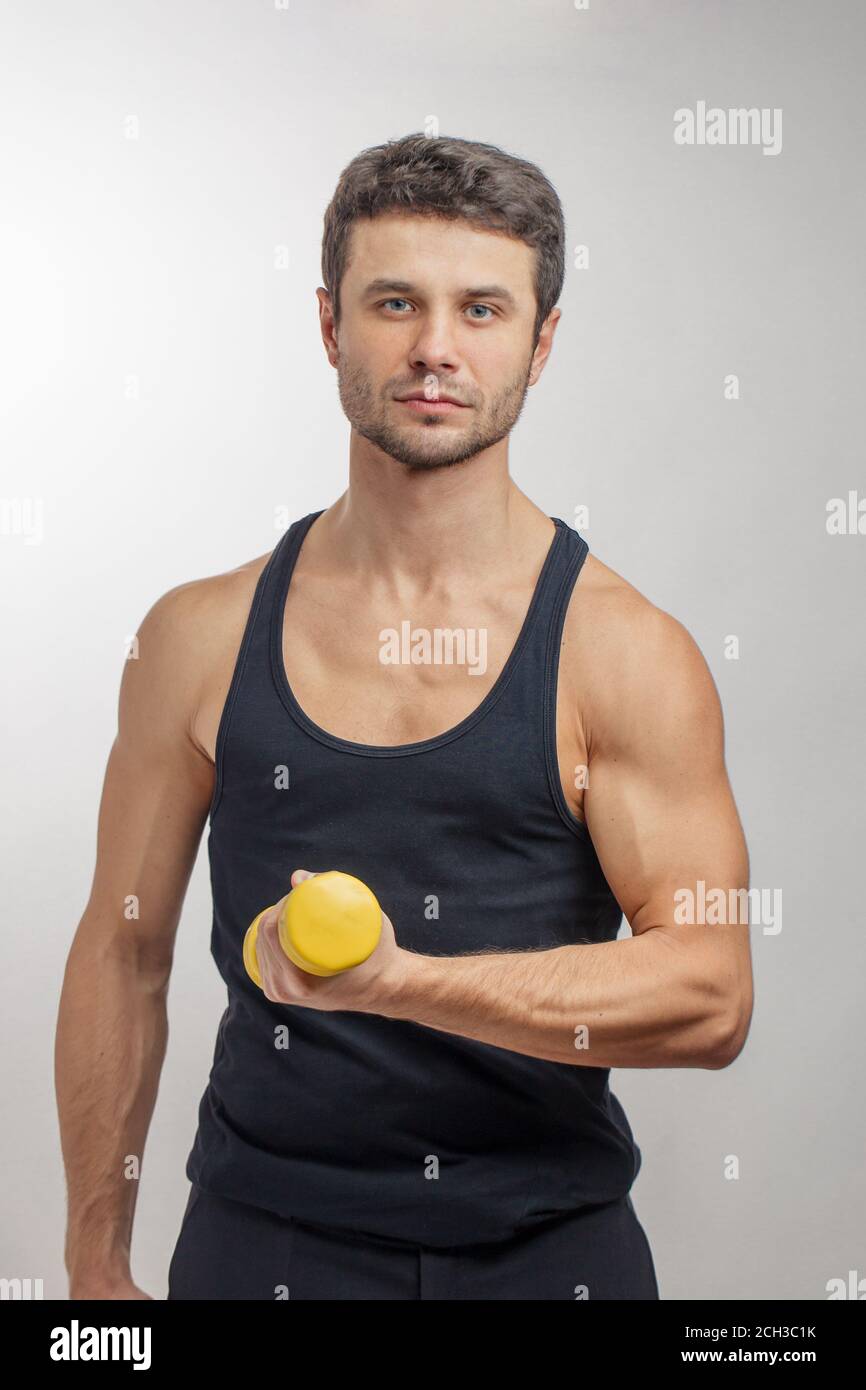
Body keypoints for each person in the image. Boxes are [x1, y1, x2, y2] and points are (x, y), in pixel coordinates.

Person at [55, 132, 753, 1301]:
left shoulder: (622, 651)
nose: (435, 348)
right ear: (329, 325)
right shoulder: (199, 635)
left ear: (542, 341)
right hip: (261, 1240)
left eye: (482, 309)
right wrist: (92, 1265)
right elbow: (123, 949)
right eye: (395, 302)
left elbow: (710, 993)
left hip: (544, 1250)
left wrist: (400, 981)